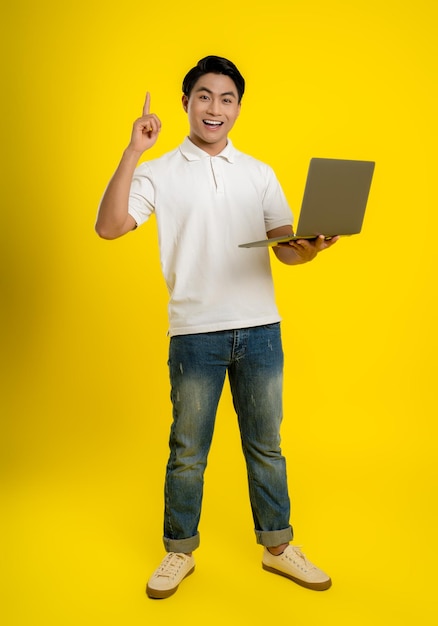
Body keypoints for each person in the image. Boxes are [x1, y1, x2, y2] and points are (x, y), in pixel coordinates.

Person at [96, 55, 338, 599]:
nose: (215, 108)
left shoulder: (259, 172)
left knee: (266, 445)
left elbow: (287, 252)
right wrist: (135, 150)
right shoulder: (156, 171)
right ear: (186, 103)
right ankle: (178, 552)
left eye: (226, 99)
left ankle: (278, 549)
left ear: (237, 108)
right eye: (204, 96)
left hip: (260, 330)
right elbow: (110, 227)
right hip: (194, 333)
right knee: (187, 449)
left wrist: (313, 247)